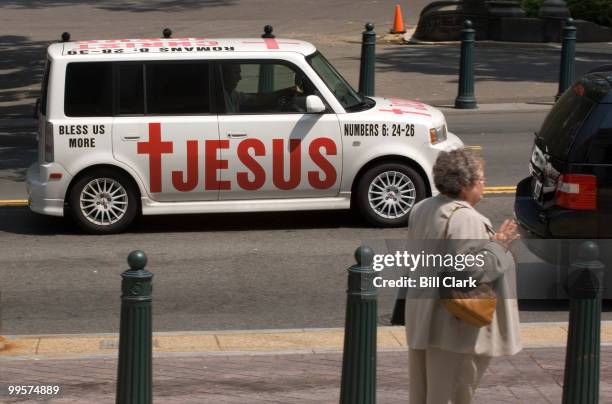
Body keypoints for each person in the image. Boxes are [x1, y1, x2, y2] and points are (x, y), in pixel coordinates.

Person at [403, 148, 522, 404]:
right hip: (455, 325)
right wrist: (499, 245)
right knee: (454, 392)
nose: (484, 183)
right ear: (465, 185)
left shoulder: (423, 208)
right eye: (481, 179)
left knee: (425, 392)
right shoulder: (465, 218)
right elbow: (470, 271)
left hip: (424, 317)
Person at [221, 64, 304, 113]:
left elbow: (255, 99)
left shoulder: (231, 94)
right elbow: (255, 99)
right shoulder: (221, 95)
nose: (239, 78)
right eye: (236, 73)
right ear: (224, 74)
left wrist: (285, 91)